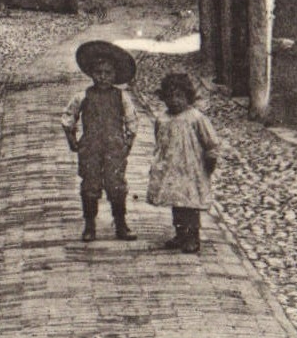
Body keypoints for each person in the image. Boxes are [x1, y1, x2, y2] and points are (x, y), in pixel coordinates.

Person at [61, 39, 138, 242]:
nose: (103, 77)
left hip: (114, 147)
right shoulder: (83, 96)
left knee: (117, 185)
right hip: (90, 148)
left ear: (114, 75)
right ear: (91, 73)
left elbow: (131, 120)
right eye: (98, 72)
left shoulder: (121, 97)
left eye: (107, 73)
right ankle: (89, 225)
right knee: (90, 185)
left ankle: (121, 224)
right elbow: (69, 117)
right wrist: (72, 139)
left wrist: (127, 142)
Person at [146, 71, 219, 254]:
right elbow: (160, 142)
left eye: (180, 96)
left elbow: (209, 141)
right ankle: (180, 234)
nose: (174, 100)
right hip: (171, 167)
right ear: (163, 98)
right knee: (176, 202)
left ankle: (193, 237)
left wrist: (210, 159)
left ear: (189, 97)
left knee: (190, 204)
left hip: (191, 167)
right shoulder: (162, 119)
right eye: (170, 96)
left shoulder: (195, 118)